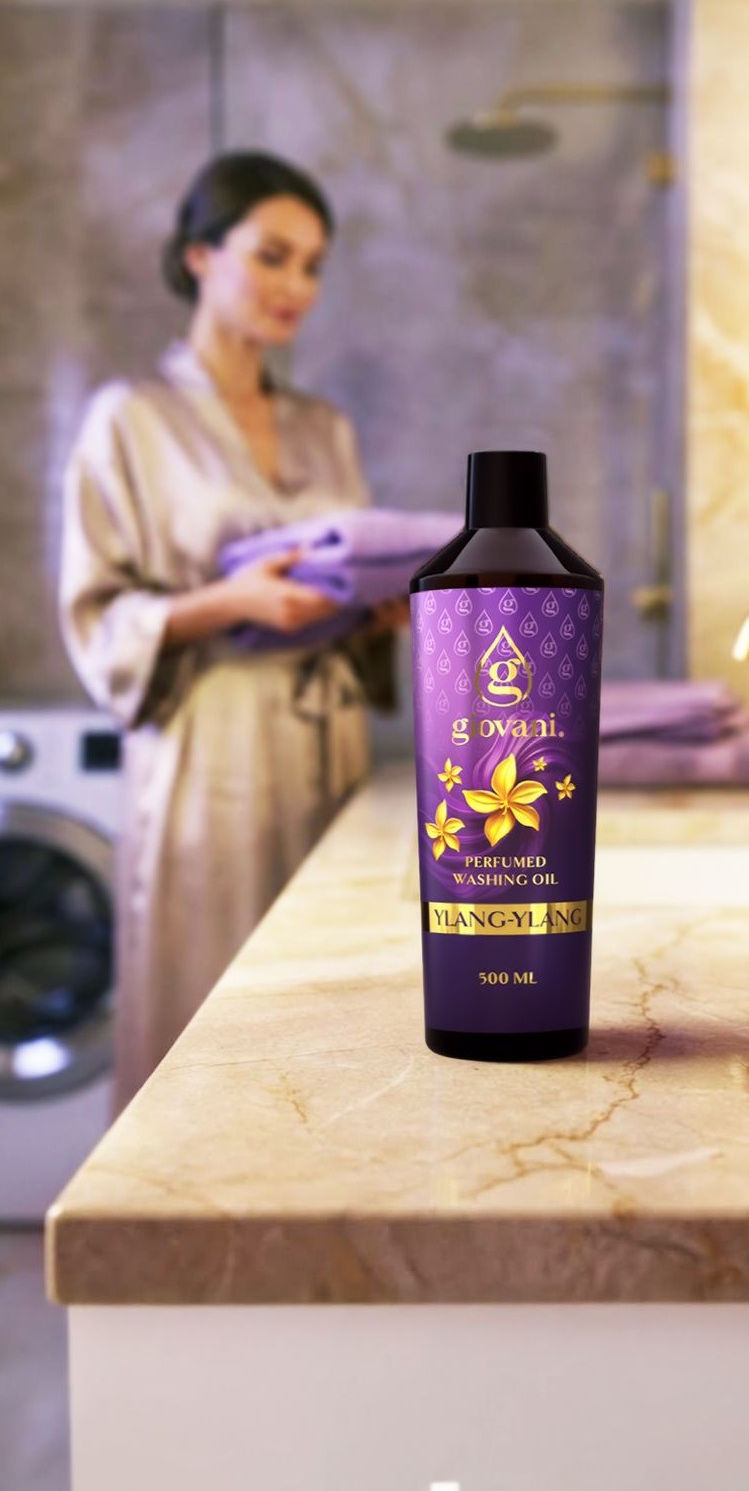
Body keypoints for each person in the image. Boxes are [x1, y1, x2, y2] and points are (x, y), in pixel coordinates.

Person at [60, 150, 409, 1112]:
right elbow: (95, 613)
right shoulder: (130, 420)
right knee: (207, 1020)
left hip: (327, 745)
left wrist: (378, 613)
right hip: (208, 753)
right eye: (272, 256)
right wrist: (229, 603)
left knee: (332, 1016)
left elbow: (349, 579)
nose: (297, 286)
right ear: (200, 256)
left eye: (313, 266)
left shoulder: (324, 427)